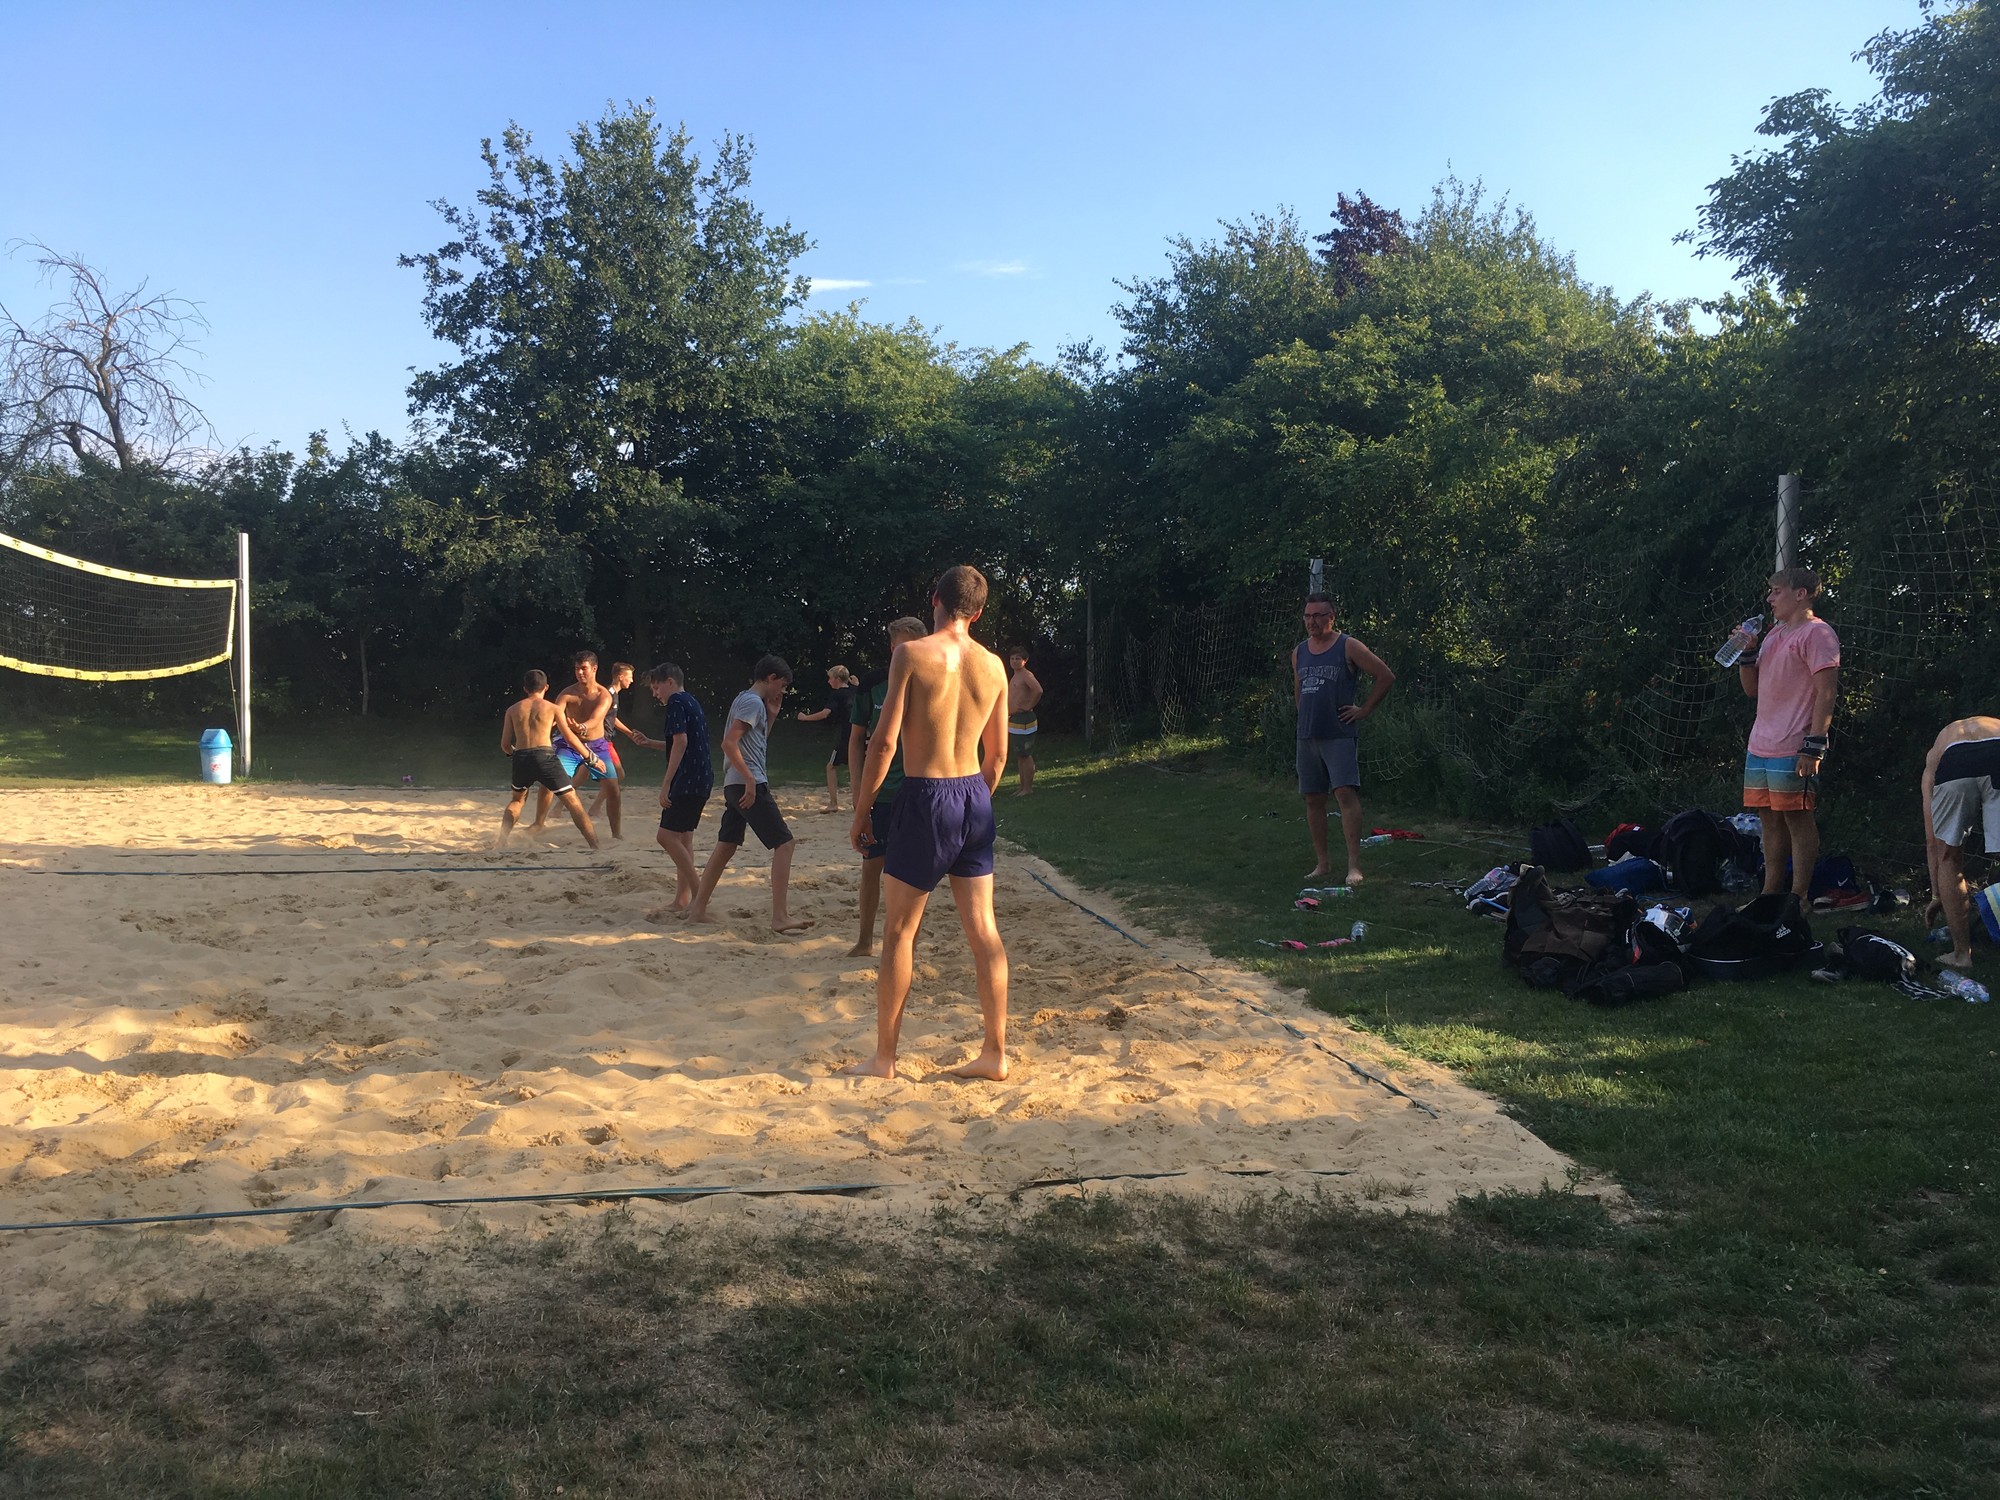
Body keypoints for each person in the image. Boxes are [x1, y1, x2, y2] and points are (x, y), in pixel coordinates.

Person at [839, 566, 1011, 1081]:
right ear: (978, 612)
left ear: (934, 599)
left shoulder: (911, 655)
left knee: (898, 931)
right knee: (984, 931)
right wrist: (971, 804)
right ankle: (995, 1053)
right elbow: (998, 757)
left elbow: (883, 744)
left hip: (925, 795)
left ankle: (884, 1059)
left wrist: (862, 810)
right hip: (974, 795)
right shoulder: (994, 666)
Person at [685, 655, 810, 933]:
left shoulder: (748, 701)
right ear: (771, 678)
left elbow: (755, 743)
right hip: (746, 784)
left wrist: (772, 715)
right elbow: (729, 743)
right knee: (785, 844)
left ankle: (697, 911)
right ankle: (780, 917)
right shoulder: (752, 702)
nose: (782, 691)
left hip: (735, 783)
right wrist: (751, 779)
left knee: (726, 845)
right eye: (782, 685)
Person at [1737, 568, 1840, 901]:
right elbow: (1753, 690)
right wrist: (1746, 653)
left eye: (1776, 591)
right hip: (1760, 744)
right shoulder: (1773, 635)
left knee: (1798, 819)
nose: (1770, 599)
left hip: (1795, 744)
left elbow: (1826, 692)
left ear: (1801, 594)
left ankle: (1798, 898)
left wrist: (1814, 745)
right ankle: (1770, 894)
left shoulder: (1818, 633)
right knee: (1768, 821)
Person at [1292, 594, 1396, 885]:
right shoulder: (1299, 651)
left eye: (1318, 615)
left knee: (1345, 795)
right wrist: (1304, 717)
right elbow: (1298, 689)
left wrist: (1364, 709)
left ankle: (1354, 866)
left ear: (1331, 617)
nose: (1312, 621)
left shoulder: (1348, 646)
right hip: (1307, 736)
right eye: (1308, 616)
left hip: (1338, 734)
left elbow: (1385, 675)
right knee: (1313, 798)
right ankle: (1322, 864)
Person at [847, 617, 930, 957]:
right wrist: (858, 791)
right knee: (872, 866)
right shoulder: (873, 684)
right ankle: (865, 940)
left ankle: (908, 946)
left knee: (915, 875)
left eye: (913, 646)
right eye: (900, 647)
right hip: (882, 792)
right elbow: (856, 740)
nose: (906, 653)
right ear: (892, 648)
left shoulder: (934, 679)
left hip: (920, 791)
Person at [1920, 716, 2000, 970]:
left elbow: (1933, 840)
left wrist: (1937, 894)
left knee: (1949, 856)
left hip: (1955, 763)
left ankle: (1961, 955)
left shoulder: (1938, 750)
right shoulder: (1995, 725)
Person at [498, 669, 602, 850]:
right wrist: (590, 758)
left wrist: (514, 754)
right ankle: (595, 845)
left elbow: (505, 744)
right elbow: (570, 738)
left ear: (525, 688)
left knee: (517, 801)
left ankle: (500, 843)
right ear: (546, 687)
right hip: (545, 756)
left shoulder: (512, 710)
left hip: (521, 757)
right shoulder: (553, 708)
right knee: (572, 801)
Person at [640, 662, 712, 921]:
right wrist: (651, 744)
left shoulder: (676, 702)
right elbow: (682, 743)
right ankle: (683, 899)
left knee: (666, 836)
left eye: (656, 687)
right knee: (683, 838)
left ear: (669, 682)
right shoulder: (691, 701)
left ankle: (699, 898)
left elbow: (681, 742)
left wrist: (667, 783)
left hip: (688, 780)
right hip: (701, 778)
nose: (655, 693)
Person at [796, 666, 858, 813]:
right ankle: (859, 803)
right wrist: (856, 684)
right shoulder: (855, 691)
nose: (829, 681)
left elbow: (825, 714)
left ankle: (833, 803)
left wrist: (805, 718)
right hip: (859, 733)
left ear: (837, 679)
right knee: (856, 769)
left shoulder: (836, 695)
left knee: (831, 766)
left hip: (846, 735)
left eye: (830, 678)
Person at [587, 661, 639, 822]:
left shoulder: (613, 694)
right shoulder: (608, 694)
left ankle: (561, 806)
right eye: (629, 677)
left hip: (602, 740)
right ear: (620, 676)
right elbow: (598, 716)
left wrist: (628, 733)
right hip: (601, 741)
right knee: (617, 774)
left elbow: (612, 718)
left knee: (583, 775)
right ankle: (594, 807)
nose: (632, 680)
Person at [1006, 647, 1043, 797]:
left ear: (1025, 661)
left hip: (1024, 718)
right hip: (1015, 718)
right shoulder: (1016, 676)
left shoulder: (1026, 675)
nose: (1014, 661)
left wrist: (1029, 705)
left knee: (1025, 754)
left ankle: (1028, 788)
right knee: (1020, 754)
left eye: (1018, 659)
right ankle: (1022, 787)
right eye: (1012, 658)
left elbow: (1038, 690)